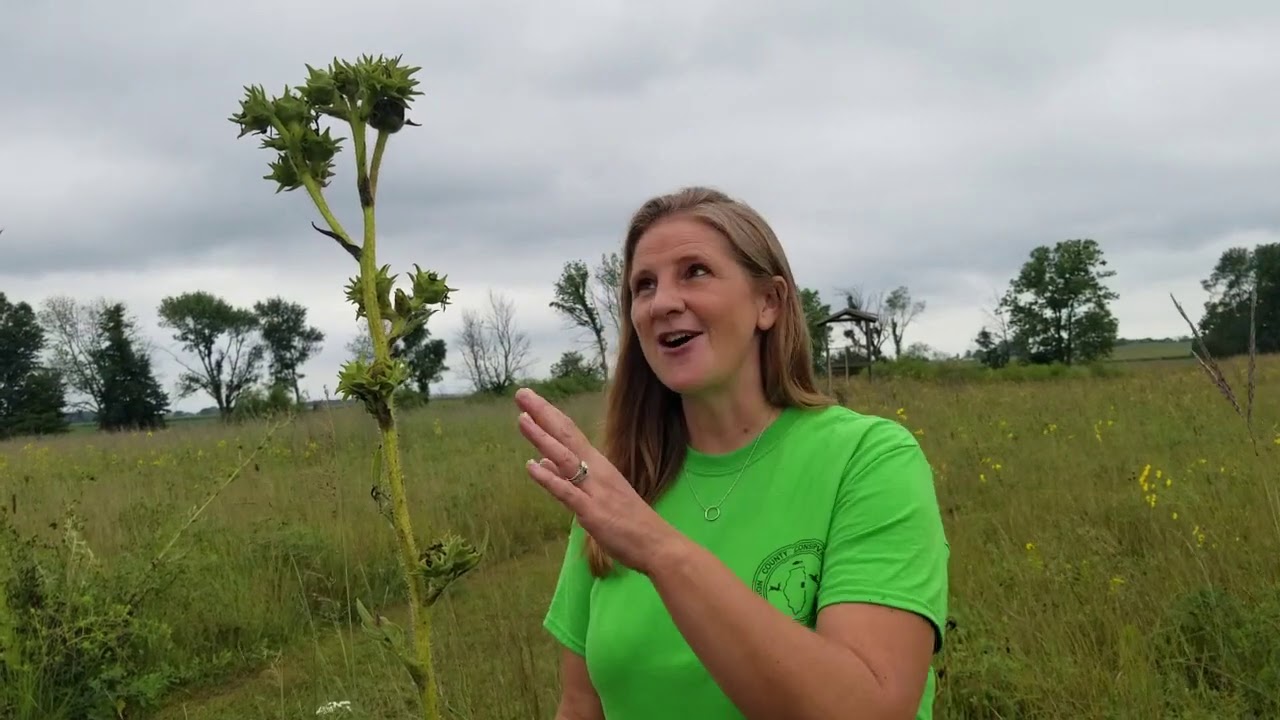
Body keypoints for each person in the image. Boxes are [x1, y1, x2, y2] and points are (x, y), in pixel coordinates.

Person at [513, 186, 949, 719]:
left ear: (769, 302)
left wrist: (658, 549)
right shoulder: (618, 486)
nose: (662, 303)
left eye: (695, 271)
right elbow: (580, 706)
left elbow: (872, 709)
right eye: (643, 285)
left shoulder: (869, 460)